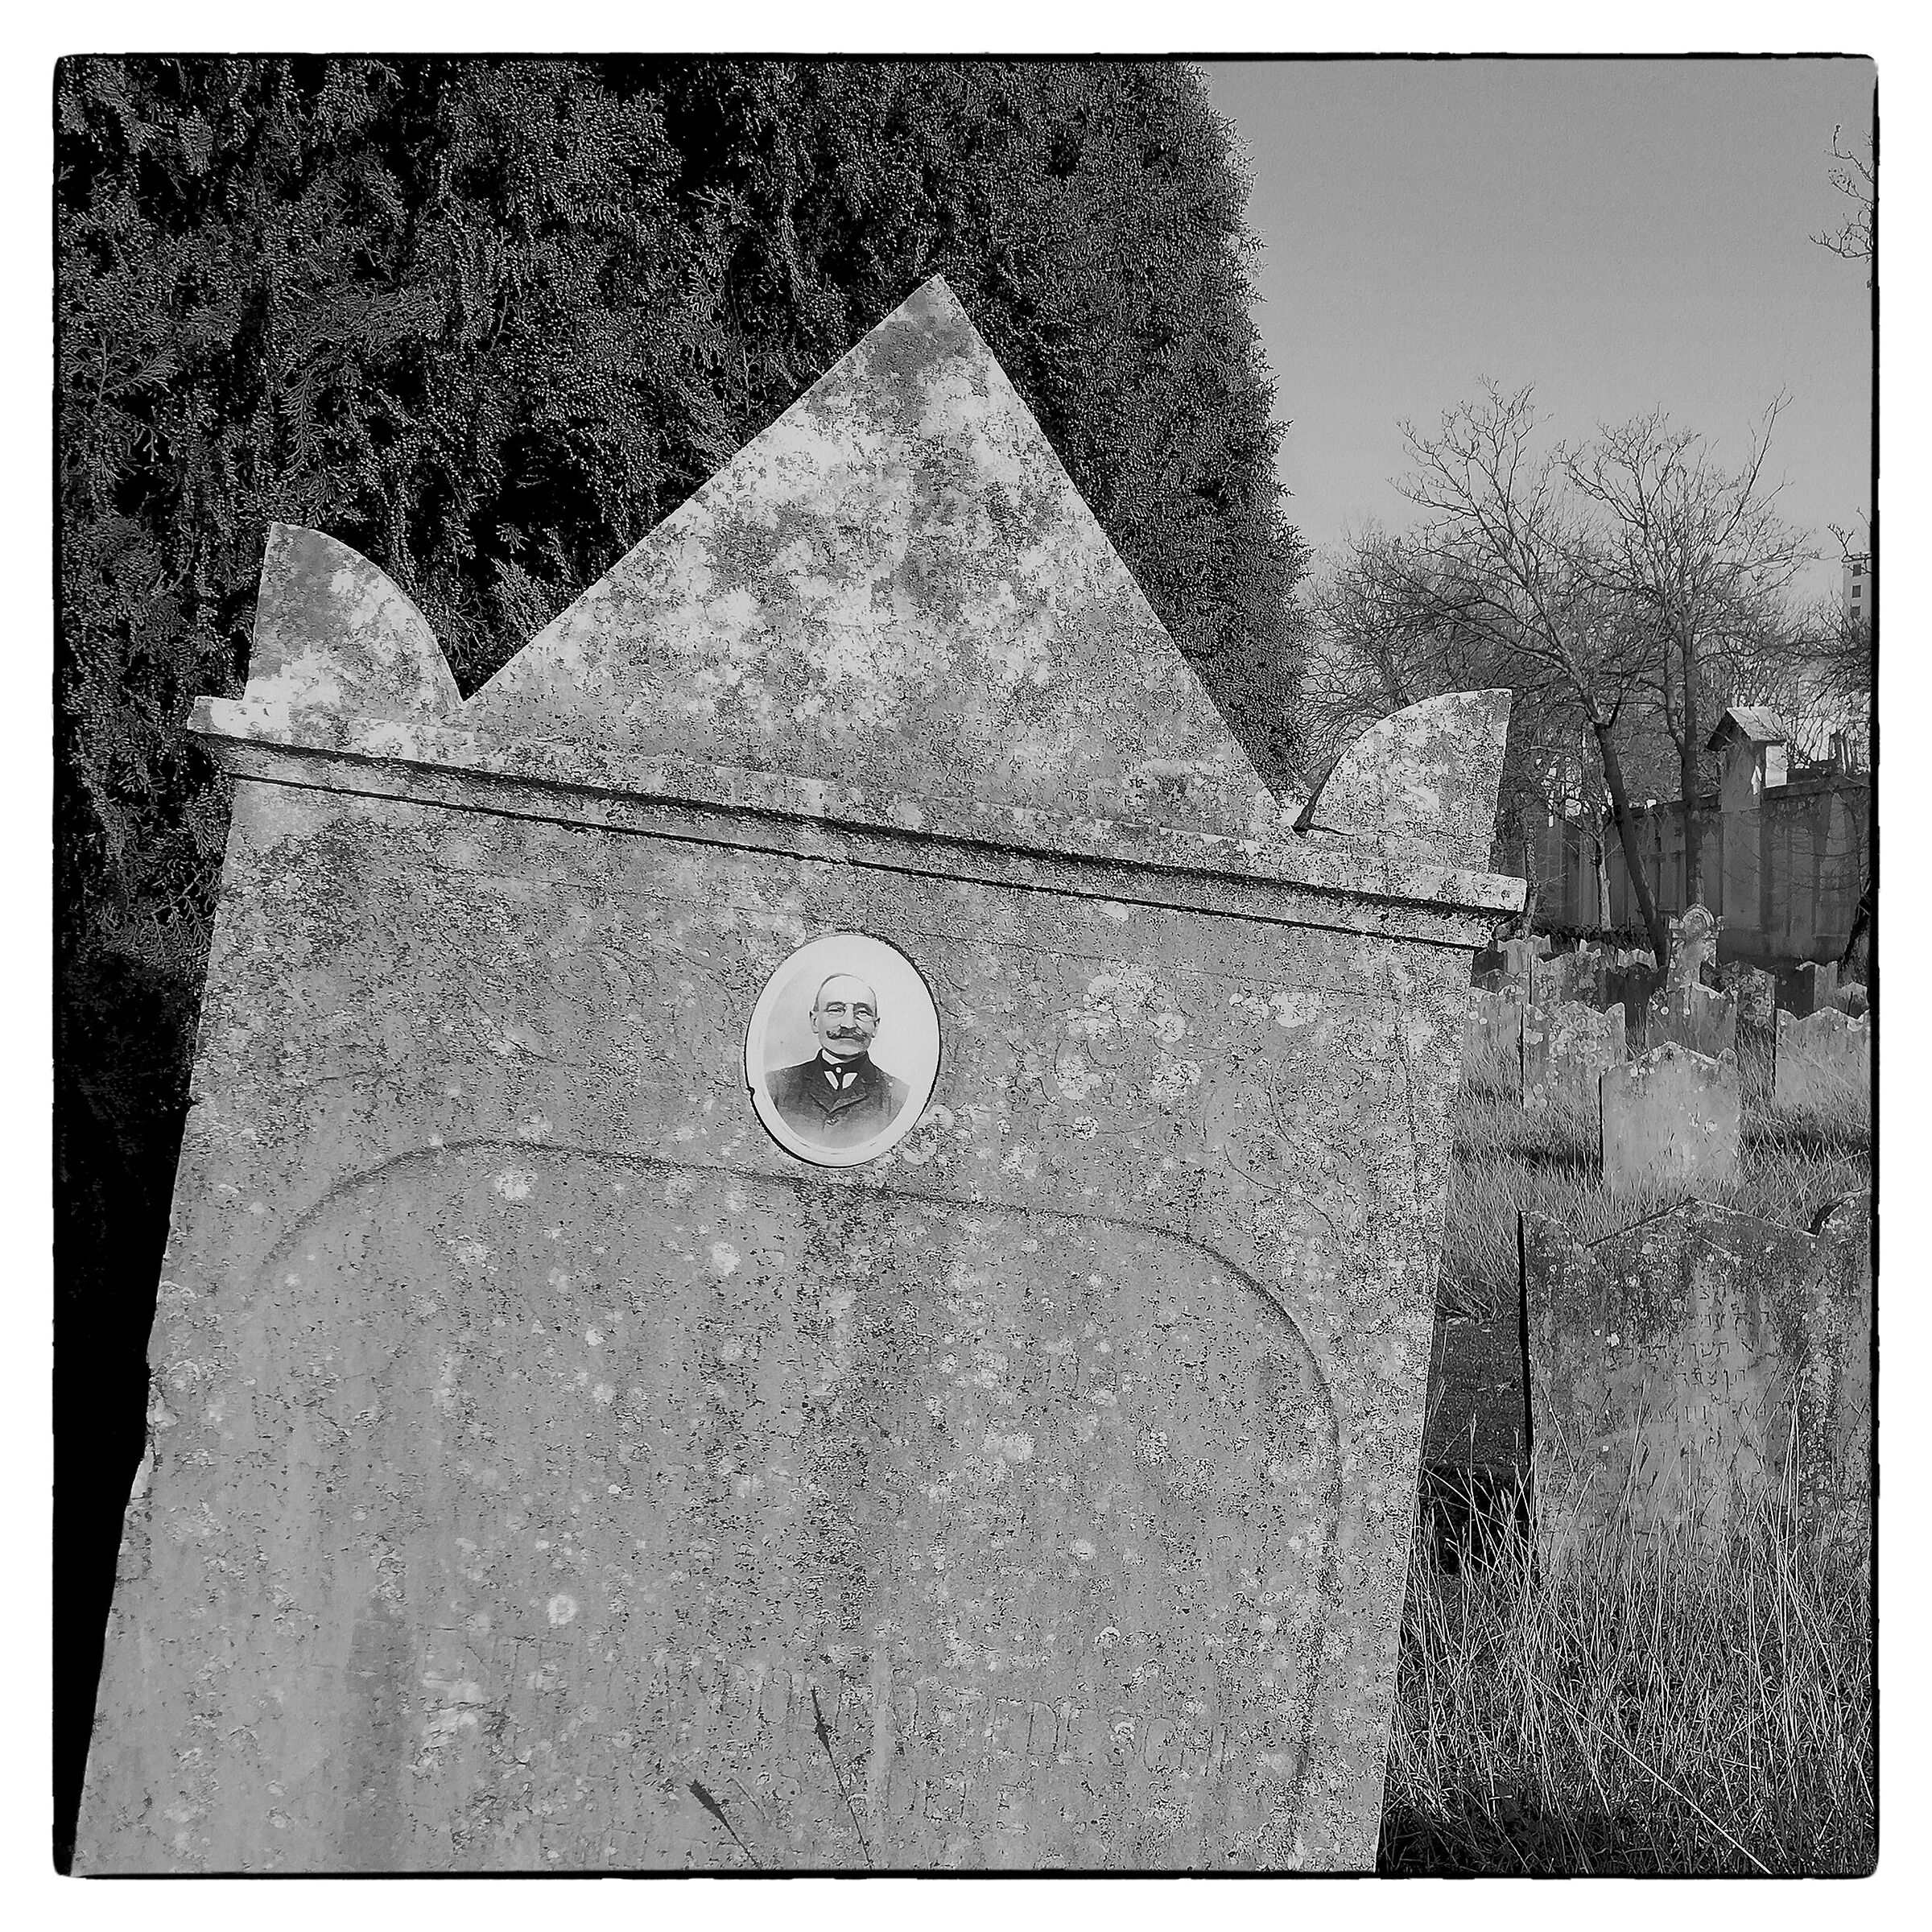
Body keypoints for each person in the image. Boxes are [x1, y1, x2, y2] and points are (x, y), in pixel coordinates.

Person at [766, 973, 910, 1150]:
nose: (848, 1025)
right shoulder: (775, 1087)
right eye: (835, 1010)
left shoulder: (900, 1098)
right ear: (814, 1021)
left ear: (875, 1026)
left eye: (862, 1013)